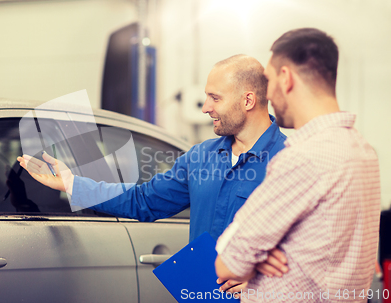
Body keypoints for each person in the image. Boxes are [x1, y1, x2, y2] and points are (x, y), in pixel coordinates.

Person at [19, 54, 288, 295]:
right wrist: (72, 184)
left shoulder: (291, 160)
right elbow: (143, 201)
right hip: (204, 294)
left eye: (215, 98)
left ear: (248, 100)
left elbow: (316, 245)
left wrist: (264, 281)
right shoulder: (200, 156)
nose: (205, 107)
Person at [214, 28, 381, 302]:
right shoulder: (363, 151)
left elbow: (229, 262)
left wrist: (255, 256)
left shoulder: (303, 157)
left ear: (285, 78)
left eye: (268, 80)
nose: (266, 93)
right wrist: (266, 253)